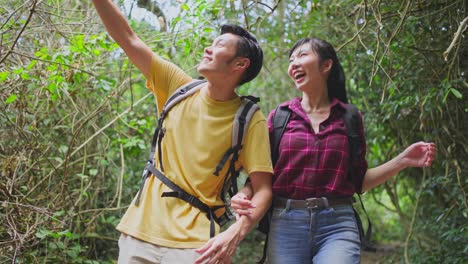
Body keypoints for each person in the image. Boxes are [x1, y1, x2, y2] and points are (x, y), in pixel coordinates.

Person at [92, 1, 273, 263]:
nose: (208, 49)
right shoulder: (178, 87)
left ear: (240, 64)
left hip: (199, 245)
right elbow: (128, 39)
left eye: (220, 45)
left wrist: (236, 231)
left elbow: (263, 188)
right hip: (140, 232)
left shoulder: (249, 119)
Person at [230, 37, 436, 264]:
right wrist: (245, 193)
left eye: (302, 55)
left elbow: (358, 182)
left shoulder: (350, 118)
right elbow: (263, 174)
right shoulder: (280, 117)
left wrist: (403, 160)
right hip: (286, 223)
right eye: (291, 60)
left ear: (326, 65)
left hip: (337, 223)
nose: (294, 64)